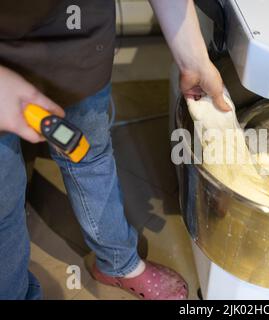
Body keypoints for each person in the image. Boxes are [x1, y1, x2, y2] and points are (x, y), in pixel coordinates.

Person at [0, 0, 230, 300]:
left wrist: (194, 59)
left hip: (80, 47)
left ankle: (118, 263)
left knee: (91, 158)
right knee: (3, 202)